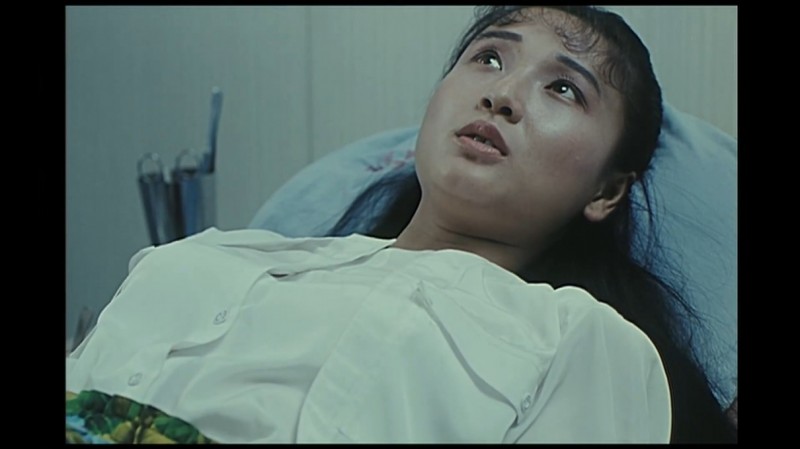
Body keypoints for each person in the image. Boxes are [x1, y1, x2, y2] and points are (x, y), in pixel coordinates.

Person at [66, 5, 735, 444]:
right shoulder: (211, 256)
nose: (501, 94)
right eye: (489, 58)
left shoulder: (582, 343)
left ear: (607, 190)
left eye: (564, 88)